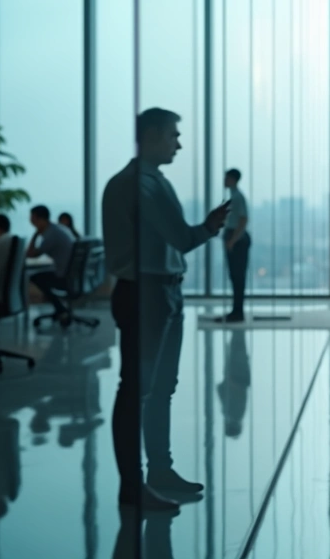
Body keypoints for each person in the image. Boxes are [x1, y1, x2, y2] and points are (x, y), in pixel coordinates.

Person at [102, 107, 229, 512]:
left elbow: (174, 240)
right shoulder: (140, 185)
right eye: (173, 135)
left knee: (158, 389)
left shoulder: (150, 182)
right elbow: (182, 237)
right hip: (146, 294)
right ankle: (134, 484)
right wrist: (209, 227)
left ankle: (157, 472)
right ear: (153, 135)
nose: (178, 143)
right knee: (138, 390)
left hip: (163, 292)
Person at [26, 205, 77, 323]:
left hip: (64, 276)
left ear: (39, 218)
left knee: (34, 277)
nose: (31, 222)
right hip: (72, 274)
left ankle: (60, 309)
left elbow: (31, 254)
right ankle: (59, 308)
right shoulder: (59, 229)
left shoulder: (50, 235)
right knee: (44, 274)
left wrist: (35, 234)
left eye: (32, 218)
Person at [221, 168, 251, 322]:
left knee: (238, 277)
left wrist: (232, 240)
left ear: (233, 179)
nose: (224, 181)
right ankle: (236, 311)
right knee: (235, 277)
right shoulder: (233, 196)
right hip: (234, 237)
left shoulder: (237, 197)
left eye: (226, 178)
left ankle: (237, 313)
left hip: (237, 239)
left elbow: (243, 220)